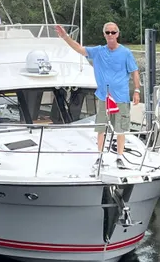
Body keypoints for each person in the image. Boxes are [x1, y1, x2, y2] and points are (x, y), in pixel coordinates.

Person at [55, 22, 140, 170]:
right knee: (101, 128)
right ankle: (99, 157)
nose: (110, 35)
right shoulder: (99, 51)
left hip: (121, 97)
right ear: (104, 34)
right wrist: (64, 37)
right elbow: (79, 48)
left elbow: (134, 71)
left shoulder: (126, 53)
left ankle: (120, 157)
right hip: (103, 97)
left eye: (113, 32)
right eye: (108, 32)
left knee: (121, 128)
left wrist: (137, 90)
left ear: (118, 34)